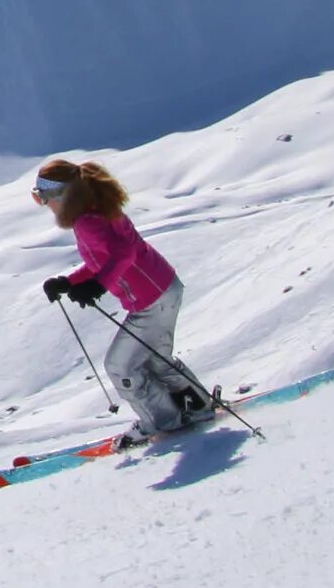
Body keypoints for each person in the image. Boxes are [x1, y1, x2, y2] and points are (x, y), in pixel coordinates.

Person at [33, 156, 214, 447]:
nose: (44, 205)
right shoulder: (98, 210)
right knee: (155, 359)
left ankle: (162, 422)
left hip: (150, 300)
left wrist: (97, 286)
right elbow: (102, 261)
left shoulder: (88, 222)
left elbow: (123, 255)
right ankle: (198, 407)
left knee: (121, 366)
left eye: (42, 197)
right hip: (163, 288)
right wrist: (70, 282)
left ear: (61, 195)